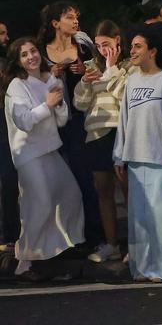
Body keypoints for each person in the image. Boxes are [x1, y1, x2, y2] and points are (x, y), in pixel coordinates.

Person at [2, 37, 84, 280]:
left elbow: (60, 120)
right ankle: (24, 261)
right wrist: (48, 105)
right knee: (40, 203)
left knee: (71, 195)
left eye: (33, 51)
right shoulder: (17, 85)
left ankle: (53, 250)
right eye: (24, 54)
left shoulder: (51, 79)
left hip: (49, 149)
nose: (31, 57)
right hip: (28, 153)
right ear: (18, 61)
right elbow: (24, 121)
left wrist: (57, 106)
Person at [113, 32, 162, 283]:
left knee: (161, 217)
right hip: (135, 159)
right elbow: (124, 121)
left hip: (161, 160)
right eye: (131, 47)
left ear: (152, 51)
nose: (132, 51)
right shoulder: (131, 81)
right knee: (139, 218)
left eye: (137, 47)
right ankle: (143, 268)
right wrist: (119, 156)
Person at [38, 1, 103, 248]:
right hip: (51, 122)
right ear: (55, 23)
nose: (75, 21)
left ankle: (92, 236)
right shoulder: (40, 51)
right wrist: (50, 75)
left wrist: (85, 70)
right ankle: (59, 240)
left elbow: (100, 71)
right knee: (55, 181)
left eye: (76, 17)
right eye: (69, 17)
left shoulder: (84, 46)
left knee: (84, 178)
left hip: (80, 119)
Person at [73, 20, 134, 263]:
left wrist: (111, 69)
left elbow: (125, 96)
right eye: (98, 46)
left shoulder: (129, 65)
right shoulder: (93, 66)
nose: (102, 50)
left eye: (106, 44)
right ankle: (111, 244)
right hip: (97, 134)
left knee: (129, 190)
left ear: (118, 41)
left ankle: (136, 244)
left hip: (121, 131)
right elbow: (80, 104)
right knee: (103, 190)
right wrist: (86, 83)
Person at [0, 22, 19, 249]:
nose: (6, 37)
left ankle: (10, 236)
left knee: (9, 183)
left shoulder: (8, 64)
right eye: (1, 33)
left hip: (7, 127)